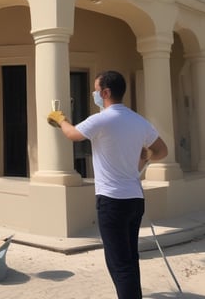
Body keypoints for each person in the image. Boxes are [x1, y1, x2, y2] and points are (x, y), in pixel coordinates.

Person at [47, 70, 168, 299]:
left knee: (119, 264)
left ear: (105, 92)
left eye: (95, 90)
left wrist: (60, 119)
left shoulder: (102, 118)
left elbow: (73, 134)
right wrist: (146, 155)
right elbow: (162, 150)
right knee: (129, 259)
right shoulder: (138, 120)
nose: (94, 94)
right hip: (134, 200)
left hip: (112, 202)